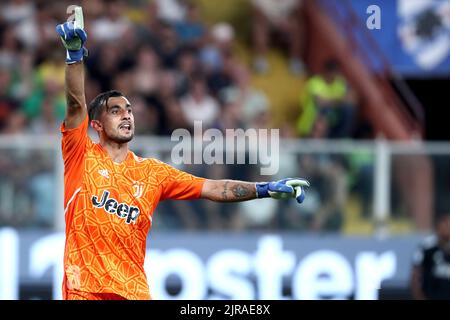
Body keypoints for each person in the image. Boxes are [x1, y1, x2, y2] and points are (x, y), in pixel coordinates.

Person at [56, 18, 310, 300]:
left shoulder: (153, 173)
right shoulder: (81, 154)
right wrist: (74, 57)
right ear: (97, 125)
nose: (126, 114)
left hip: (133, 293)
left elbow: (213, 188)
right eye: (115, 111)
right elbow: (76, 103)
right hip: (84, 290)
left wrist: (264, 189)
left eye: (129, 110)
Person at [411, 213, 450, 300]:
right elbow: (416, 275)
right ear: (438, 227)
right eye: (445, 225)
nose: (448, 228)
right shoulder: (427, 247)